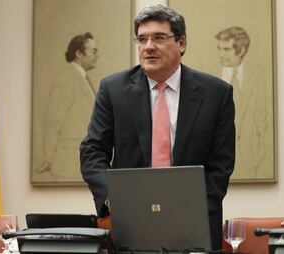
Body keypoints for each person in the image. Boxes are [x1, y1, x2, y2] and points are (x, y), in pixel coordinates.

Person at [80, 5, 235, 250]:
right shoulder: (113, 89)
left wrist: (190, 210)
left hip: (195, 227)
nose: (148, 46)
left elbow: (221, 164)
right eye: (142, 39)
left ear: (181, 43)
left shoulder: (216, 93)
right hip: (130, 226)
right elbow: (92, 151)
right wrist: (115, 199)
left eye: (159, 38)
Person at [36, 32, 99, 181]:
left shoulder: (81, 78)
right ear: (78, 53)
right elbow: (53, 122)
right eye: (93, 51)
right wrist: (49, 158)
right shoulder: (66, 78)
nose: (97, 55)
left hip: (81, 162)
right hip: (68, 163)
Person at [215, 26, 269, 179]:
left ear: (241, 50)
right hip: (216, 159)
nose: (220, 54)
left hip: (251, 155)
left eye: (226, 49)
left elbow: (262, 113)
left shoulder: (258, 75)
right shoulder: (209, 75)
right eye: (219, 48)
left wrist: (257, 136)